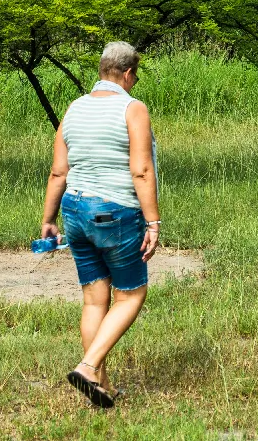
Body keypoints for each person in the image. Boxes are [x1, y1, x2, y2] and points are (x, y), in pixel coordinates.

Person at [40, 41, 161, 408]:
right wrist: (153, 222)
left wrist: (48, 219)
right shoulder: (132, 108)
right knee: (131, 295)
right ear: (126, 73)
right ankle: (90, 366)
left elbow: (59, 171)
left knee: (95, 301)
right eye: (135, 76)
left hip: (74, 212)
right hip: (115, 214)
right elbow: (141, 170)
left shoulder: (74, 108)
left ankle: (101, 386)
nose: (134, 82)